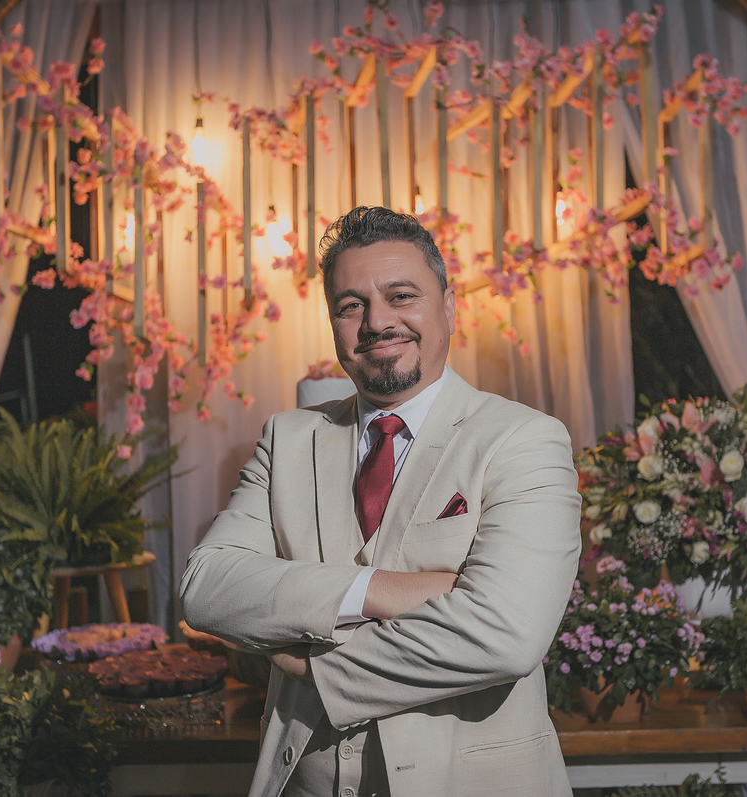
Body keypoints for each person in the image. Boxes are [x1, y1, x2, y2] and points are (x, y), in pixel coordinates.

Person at [180, 206, 583, 797]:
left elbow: (506, 636)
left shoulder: (523, 439)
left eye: (401, 296)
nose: (376, 321)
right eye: (351, 305)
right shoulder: (287, 437)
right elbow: (206, 586)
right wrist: (381, 590)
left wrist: (315, 667)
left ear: (448, 306)